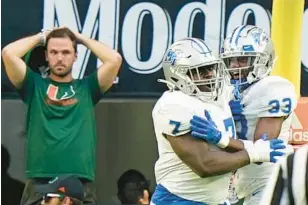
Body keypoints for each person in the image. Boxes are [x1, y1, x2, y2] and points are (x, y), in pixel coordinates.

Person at [150, 37, 287, 205]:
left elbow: (226, 148)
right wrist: (255, 152)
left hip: (218, 199)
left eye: (211, 68)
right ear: (179, 76)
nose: (210, 74)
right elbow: (205, 166)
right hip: (179, 200)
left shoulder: (221, 94)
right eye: (201, 70)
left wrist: (228, 141)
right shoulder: (174, 105)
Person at [1, 27, 122, 205]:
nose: (60, 58)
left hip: (80, 181)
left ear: (75, 56)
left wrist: (79, 37)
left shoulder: (87, 88)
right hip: (40, 180)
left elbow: (114, 59)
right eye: (54, 52)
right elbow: (8, 53)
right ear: (46, 56)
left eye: (66, 52)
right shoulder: (33, 86)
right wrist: (41, 37)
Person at [191, 25, 297, 204]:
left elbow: (263, 151)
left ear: (262, 61)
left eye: (241, 60)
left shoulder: (273, 88)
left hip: (270, 182)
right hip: (238, 185)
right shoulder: (226, 92)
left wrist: (221, 138)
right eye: (230, 60)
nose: (233, 67)